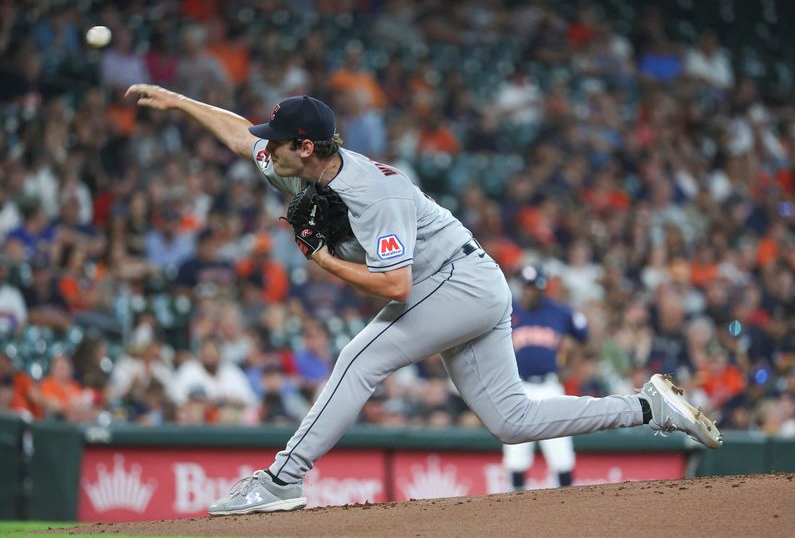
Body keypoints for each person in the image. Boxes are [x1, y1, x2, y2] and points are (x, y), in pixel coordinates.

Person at [125, 83, 723, 516]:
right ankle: (648, 409)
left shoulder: (371, 192)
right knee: (510, 421)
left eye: (276, 142)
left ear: (304, 146)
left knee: (360, 358)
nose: (266, 148)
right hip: (470, 283)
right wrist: (180, 102)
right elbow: (237, 136)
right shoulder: (300, 166)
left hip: (456, 283)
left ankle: (283, 479)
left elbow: (395, 287)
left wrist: (321, 260)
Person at [503, 265, 587, 490]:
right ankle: (515, 508)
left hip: (549, 386)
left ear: (542, 289)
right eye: (526, 286)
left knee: (561, 452)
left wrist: (572, 367)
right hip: (518, 387)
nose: (529, 291)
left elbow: (583, 336)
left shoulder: (559, 312)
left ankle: (567, 507)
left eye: (533, 287)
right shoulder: (508, 310)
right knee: (516, 454)